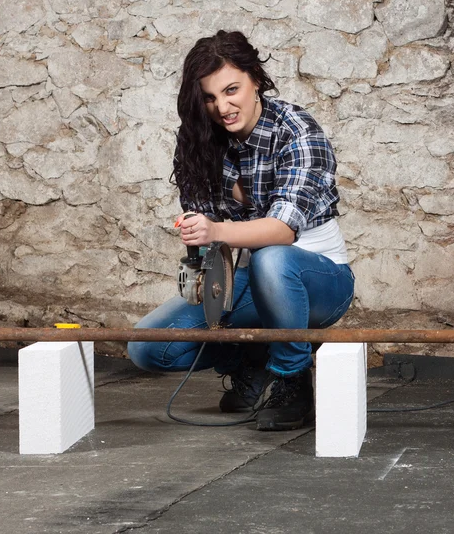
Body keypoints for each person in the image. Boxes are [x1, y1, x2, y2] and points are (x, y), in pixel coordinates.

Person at [128, 30, 355, 431]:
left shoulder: (298, 131)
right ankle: (256, 361)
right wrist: (197, 236)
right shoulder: (202, 139)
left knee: (272, 256)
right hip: (251, 280)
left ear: (255, 78)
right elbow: (211, 237)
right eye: (210, 98)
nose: (223, 107)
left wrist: (215, 229)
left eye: (232, 90)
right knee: (148, 346)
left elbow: (283, 230)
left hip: (319, 279)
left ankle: (292, 377)